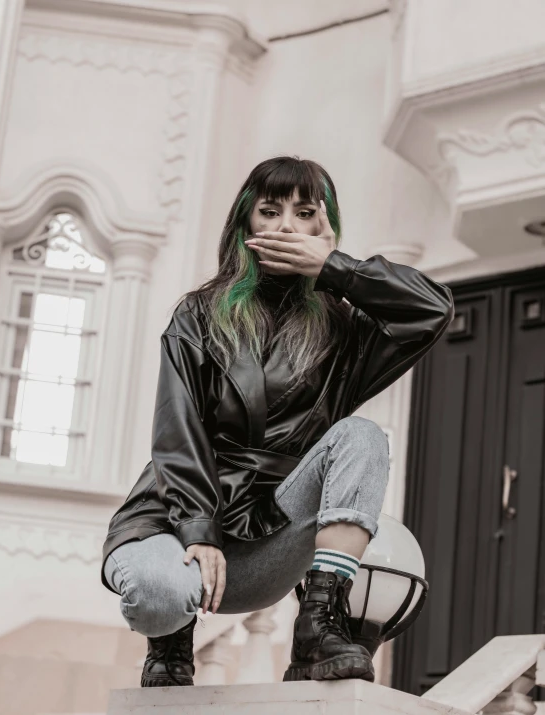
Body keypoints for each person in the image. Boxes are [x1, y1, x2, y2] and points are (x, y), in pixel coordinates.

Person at [100, 156, 454, 686]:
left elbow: (432, 310)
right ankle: (169, 642)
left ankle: (318, 626)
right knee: (160, 596)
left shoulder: (345, 327)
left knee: (361, 436)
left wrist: (337, 267)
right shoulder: (198, 314)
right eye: (270, 211)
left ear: (324, 226)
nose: (287, 225)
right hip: (175, 525)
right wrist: (197, 531)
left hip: (272, 535)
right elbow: (178, 431)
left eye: (305, 212)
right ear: (246, 227)